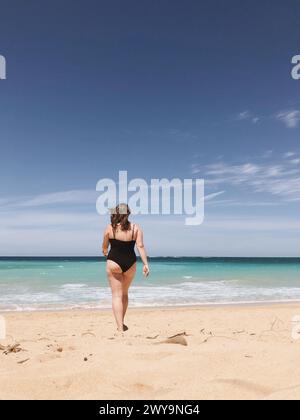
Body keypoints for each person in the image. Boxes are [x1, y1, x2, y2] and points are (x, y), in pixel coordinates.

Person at [102, 203, 150, 332]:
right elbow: (140, 246)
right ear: (128, 214)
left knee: (116, 296)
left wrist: (105, 252)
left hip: (114, 262)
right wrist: (145, 264)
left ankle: (119, 327)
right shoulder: (135, 228)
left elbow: (104, 247)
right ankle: (121, 322)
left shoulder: (109, 228)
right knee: (124, 294)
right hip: (130, 264)